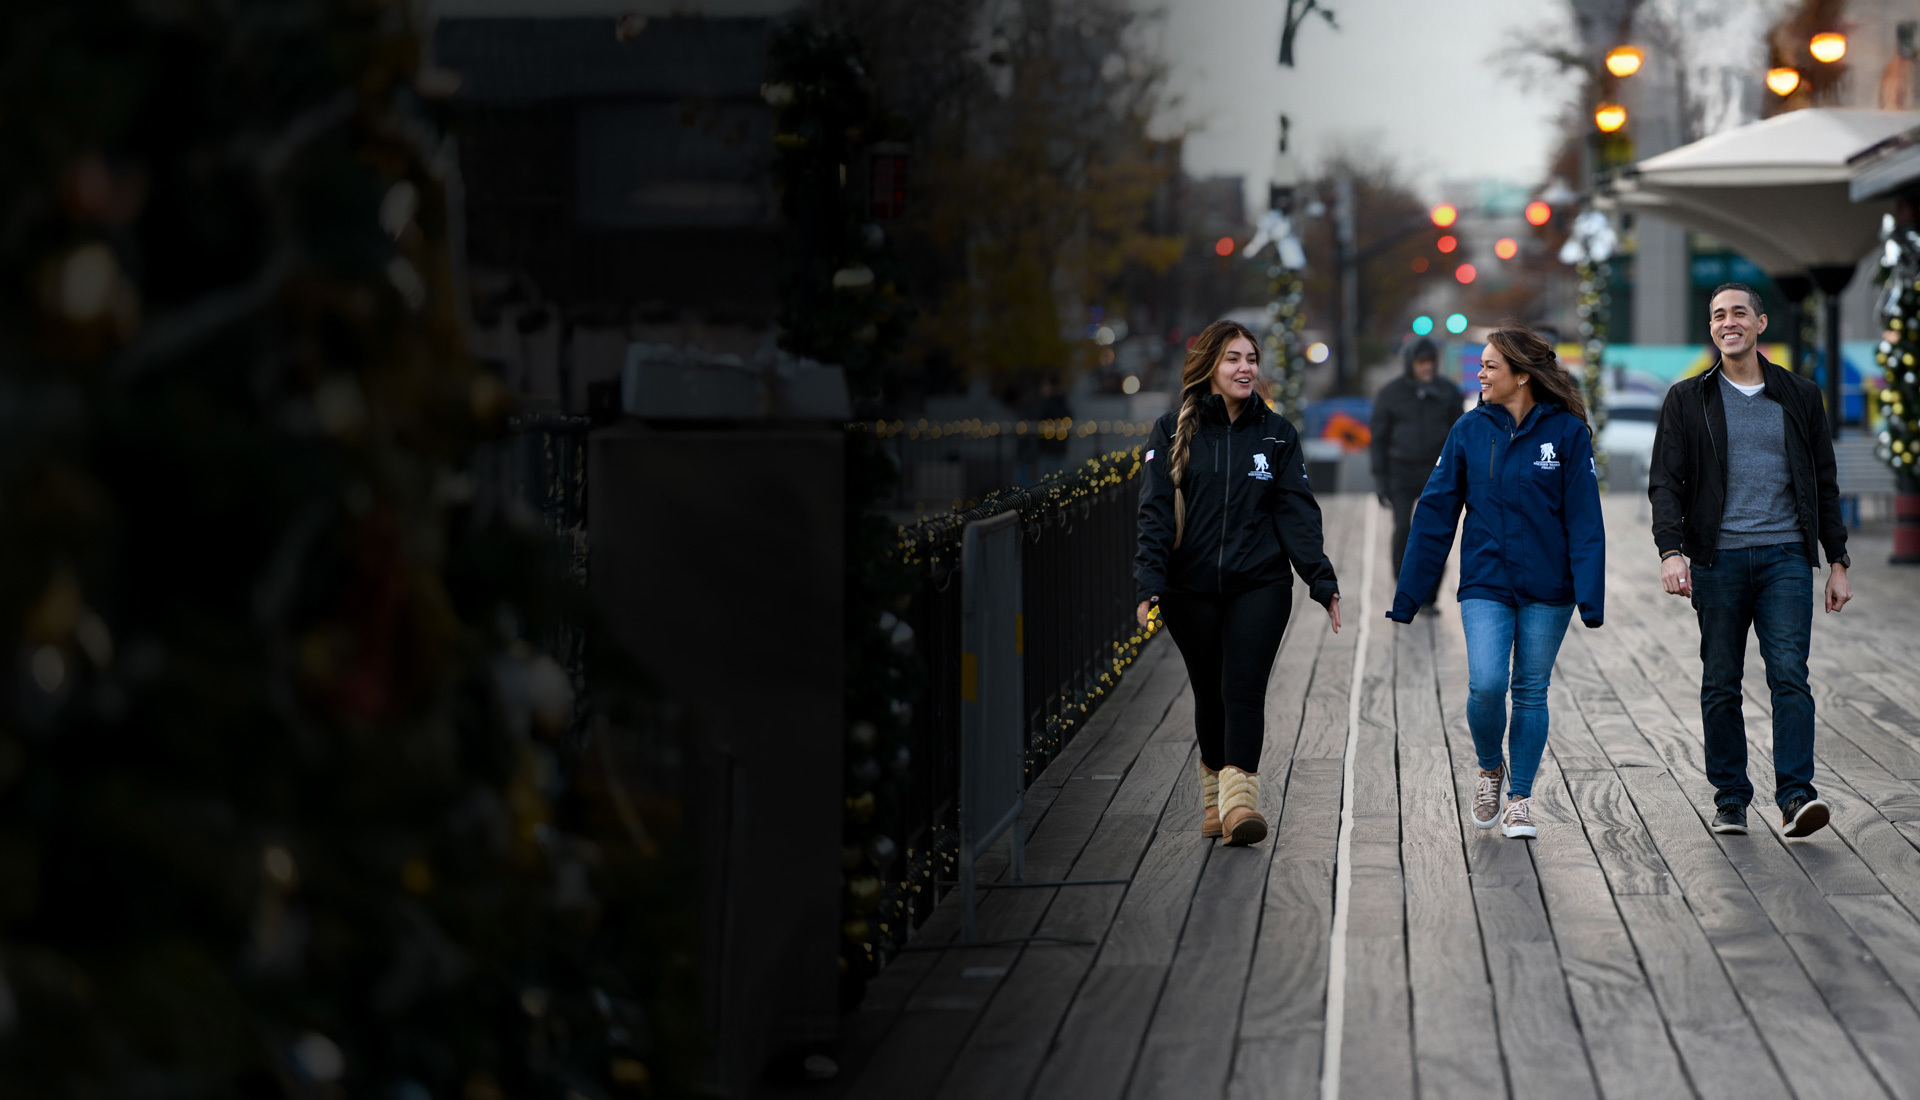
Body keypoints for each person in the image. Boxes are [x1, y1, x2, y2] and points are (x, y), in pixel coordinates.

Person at [1649, 282, 1851, 839]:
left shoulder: (1799, 395)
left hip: (1787, 554)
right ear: (1711, 328)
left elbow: (1824, 483)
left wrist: (1838, 559)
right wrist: (1672, 551)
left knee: (1790, 675)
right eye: (1718, 315)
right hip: (1717, 559)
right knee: (1721, 680)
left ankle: (1795, 798)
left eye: (1739, 312)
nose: (1728, 321)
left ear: (1761, 324)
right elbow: (1665, 483)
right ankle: (1731, 798)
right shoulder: (1687, 399)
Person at [1387, 322, 1605, 839]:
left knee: (1530, 690)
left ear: (1522, 375)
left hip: (1550, 589)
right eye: (1481, 365)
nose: (1479, 374)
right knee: (1486, 684)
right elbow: (1436, 514)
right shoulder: (1468, 431)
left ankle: (1520, 797)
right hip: (1485, 581)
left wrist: (1590, 597)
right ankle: (1490, 767)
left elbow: (1585, 521)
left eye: (1490, 366)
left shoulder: (1568, 434)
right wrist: (1409, 593)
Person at [1134, 319, 1341, 846]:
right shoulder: (1171, 431)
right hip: (1189, 589)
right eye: (1233, 358)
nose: (1245, 367)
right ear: (1209, 367)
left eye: (1251, 358)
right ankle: (1214, 803)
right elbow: (1155, 512)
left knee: (1243, 689)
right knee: (1210, 692)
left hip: (1260, 585)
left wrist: (1321, 580)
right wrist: (1149, 581)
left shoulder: (1276, 434)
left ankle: (1240, 808)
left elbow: (1297, 513)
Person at [1370, 336, 1463, 607]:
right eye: (1422, 362)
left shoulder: (1448, 392)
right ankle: (1405, 588)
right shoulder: (1391, 394)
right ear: (1411, 363)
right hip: (1400, 471)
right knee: (1402, 529)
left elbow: (1460, 434)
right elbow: (1378, 438)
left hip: (1435, 474)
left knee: (1434, 532)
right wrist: (1379, 478)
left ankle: (1430, 594)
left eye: (1431, 362)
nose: (1427, 368)